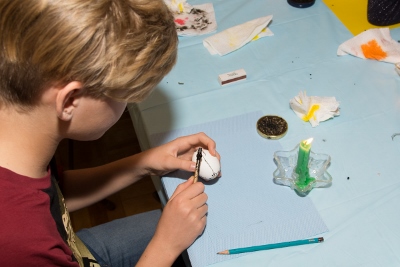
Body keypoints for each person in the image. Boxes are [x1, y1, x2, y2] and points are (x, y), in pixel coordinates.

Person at [0, 0, 220, 266]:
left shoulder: (19, 136)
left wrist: (143, 164)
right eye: (124, 97)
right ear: (70, 101)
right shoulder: (22, 242)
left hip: (72, 246)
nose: (127, 106)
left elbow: (53, 199)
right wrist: (165, 246)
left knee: (205, 219)